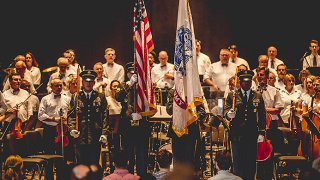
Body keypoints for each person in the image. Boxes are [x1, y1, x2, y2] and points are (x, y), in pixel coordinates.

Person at [225, 70, 266, 180]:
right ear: (240, 82)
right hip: (237, 135)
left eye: (248, 82)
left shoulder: (257, 95)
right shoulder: (232, 95)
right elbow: (225, 111)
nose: (246, 84)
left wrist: (262, 132)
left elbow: (262, 115)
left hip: (252, 134)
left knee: (251, 163)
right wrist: (229, 114)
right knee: (238, 163)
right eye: (244, 82)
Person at [115, 63, 151, 177]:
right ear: (127, 74)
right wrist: (130, 84)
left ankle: (142, 176)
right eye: (131, 73)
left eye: (135, 73)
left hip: (141, 125)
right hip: (127, 126)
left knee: (142, 155)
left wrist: (143, 114)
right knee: (128, 154)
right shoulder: (123, 85)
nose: (133, 75)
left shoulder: (145, 87)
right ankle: (128, 176)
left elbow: (150, 104)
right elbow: (118, 97)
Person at [68, 69, 109, 165]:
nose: (89, 83)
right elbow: (71, 115)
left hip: (95, 134)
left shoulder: (100, 97)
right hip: (80, 134)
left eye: (91, 81)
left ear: (94, 82)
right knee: (81, 164)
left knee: (94, 164)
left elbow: (105, 116)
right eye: (86, 81)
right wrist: (72, 128)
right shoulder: (76, 97)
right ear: (82, 82)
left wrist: (104, 133)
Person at [166, 87, 207, 173]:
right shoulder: (173, 92)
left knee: (190, 161)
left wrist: (192, 117)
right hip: (177, 130)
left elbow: (202, 113)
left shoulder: (195, 91)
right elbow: (169, 110)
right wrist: (178, 103)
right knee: (177, 160)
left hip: (191, 131)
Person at [38, 77, 71, 180]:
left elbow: (71, 113)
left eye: (61, 85)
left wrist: (67, 118)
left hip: (63, 130)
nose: (59, 87)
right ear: (51, 87)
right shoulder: (45, 99)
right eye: (56, 85)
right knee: (49, 157)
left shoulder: (67, 98)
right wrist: (54, 118)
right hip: (50, 129)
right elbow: (40, 116)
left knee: (62, 156)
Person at [106, 79, 122, 172]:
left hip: (121, 128)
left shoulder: (123, 99)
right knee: (112, 151)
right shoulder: (107, 99)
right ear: (111, 88)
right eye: (114, 86)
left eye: (118, 86)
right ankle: (112, 169)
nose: (116, 88)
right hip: (111, 130)